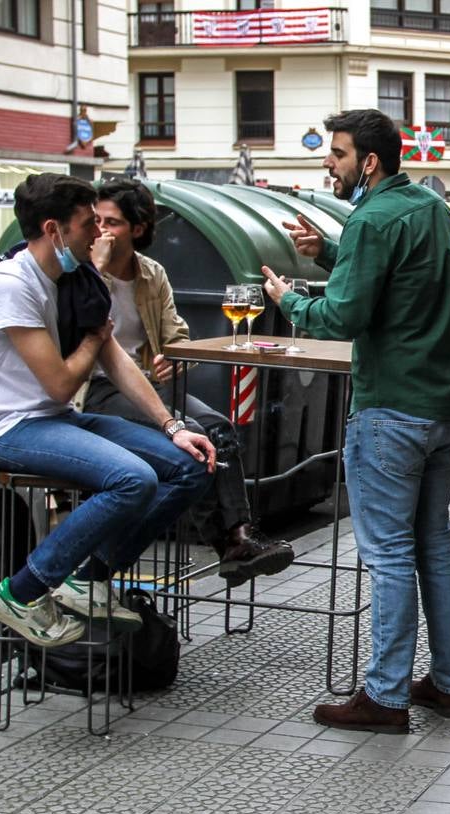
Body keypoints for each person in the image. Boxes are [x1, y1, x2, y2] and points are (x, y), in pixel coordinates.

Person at [263, 109, 450, 734]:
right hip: (444, 408)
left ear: (368, 162)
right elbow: (399, 280)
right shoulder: (429, 206)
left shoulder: (371, 218)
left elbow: (345, 316)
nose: (331, 162)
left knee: (387, 555)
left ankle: (384, 696)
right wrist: (328, 249)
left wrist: (288, 299)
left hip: (390, 411)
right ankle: (448, 683)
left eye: (339, 153)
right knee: (434, 544)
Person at [0, 173, 215, 647]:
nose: (100, 235)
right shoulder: (11, 284)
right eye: (88, 224)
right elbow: (59, 382)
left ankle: (88, 579)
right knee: (133, 478)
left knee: (190, 465)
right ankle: (21, 592)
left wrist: (172, 426)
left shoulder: (71, 278)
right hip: (6, 426)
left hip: (53, 419)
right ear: (55, 230)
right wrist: (94, 339)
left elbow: (114, 358)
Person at [84, 177, 294, 588]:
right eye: (98, 221)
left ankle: (238, 537)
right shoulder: (86, 275)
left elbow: (177, 336)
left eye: (113, 223)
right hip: (98, 390)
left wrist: (175, 361)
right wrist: (99, 271)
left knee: (219, 426)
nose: (102, 231)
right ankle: (229, 546)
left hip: (148, 384)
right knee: (194, 434)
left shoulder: (150, 274)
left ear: (138, 229)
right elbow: (79, 324)